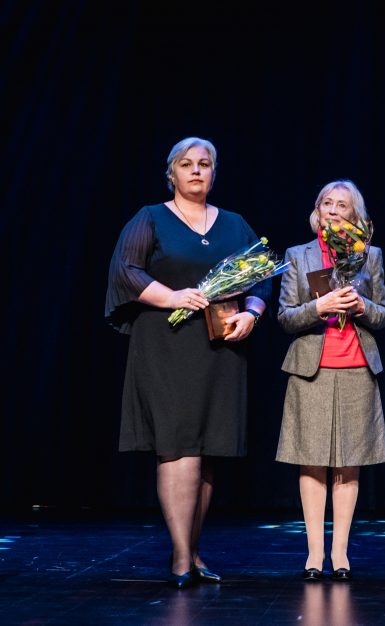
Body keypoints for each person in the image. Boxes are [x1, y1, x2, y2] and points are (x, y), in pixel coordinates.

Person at [105, 136, 271, 589]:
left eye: (205, 164)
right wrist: (172, 296)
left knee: (207, 450)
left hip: (220, 347)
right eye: (187, 164)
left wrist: (252, 314)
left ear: (214, 172)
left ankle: (194, 553)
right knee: (178, 447)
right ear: (172, 173)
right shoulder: (151, 218)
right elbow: (126, 271)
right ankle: (180, 557)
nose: (196, 171)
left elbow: (260, 276)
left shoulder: (235, 224)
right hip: (167, 344)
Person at [275, 179, 385, 582]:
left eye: (343, 204)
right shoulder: (297, 255)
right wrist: (318, 305)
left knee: (348, 465)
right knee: (311, 463)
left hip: (357, 366)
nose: (334, 210)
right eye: (327, 203)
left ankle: (340, 553)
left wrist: (363, 306)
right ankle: (314, 554)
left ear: (355, 215)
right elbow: (285, 317)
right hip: (312, 369)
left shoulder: (370, 255)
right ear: (318, 211)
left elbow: (384, 316)